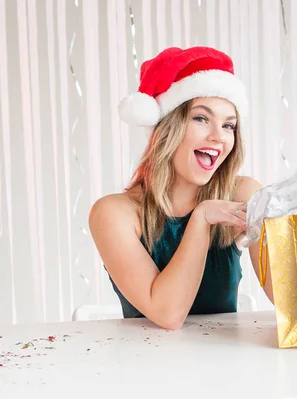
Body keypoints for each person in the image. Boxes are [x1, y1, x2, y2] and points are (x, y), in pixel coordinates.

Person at [89, 46, 272, 330]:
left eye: (228, 125)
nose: (218, 137)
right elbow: (168, 314)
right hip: (146, 365)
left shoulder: (243, 193)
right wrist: (201, 218)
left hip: (228, 364)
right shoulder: (114, 213)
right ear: (167, 128)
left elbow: (287, 297)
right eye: (201, 118)